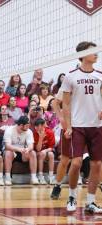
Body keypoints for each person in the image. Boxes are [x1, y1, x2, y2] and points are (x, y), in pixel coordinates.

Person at [61, 41, 102, 213]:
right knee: (76, 163)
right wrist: (68, 126)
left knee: (97, 164)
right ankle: (71, 196)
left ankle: (91, 201)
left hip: (96, 126)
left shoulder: (100, 75)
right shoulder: (71, 76)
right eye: (93, 51)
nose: (97, 54)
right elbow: (65, 103)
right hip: (77, 126)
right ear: (83, 55)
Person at [4, 116, 38, 185]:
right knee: (8, 153)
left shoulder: (29, 131)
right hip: (12, 152)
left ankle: (34, 177)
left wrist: (28, 149)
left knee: (33, 153)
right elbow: (7, 146)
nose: (28, 127)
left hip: (23, 152)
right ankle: (7, 178)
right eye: (27, 125)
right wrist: (18, 149)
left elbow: (31, 145)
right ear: (21, 125)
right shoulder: (9, 130)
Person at [33, 118, 55, 185]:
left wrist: (45, 150)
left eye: (38, 126)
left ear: (43, 126)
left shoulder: (50, 132)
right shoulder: (34, 133)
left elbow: (51, 147)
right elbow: (38, 149)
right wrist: (40, 138)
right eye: (35, 126)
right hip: (37, 153)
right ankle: (40, 176)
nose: (36, 128)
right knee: (41, 154)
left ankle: (51, 176)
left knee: (51, 154)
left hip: (46, 152)